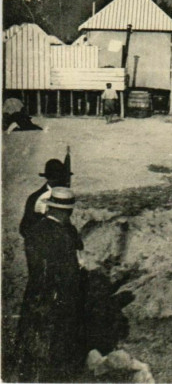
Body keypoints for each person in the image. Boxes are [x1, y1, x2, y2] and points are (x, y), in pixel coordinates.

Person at [15, 187, 84, 382]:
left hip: (35, 295)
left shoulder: (34, 231)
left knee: (31, 344)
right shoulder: (64, 236)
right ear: (67, 211)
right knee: (56, 350)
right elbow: (70, 273)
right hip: (58, 298)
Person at [20, 158, 72, 240]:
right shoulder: (35, 198)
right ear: (48, 178)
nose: (59, 181)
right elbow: (24, 228)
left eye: (60, 177)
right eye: (54, 178)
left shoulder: (66, 197)